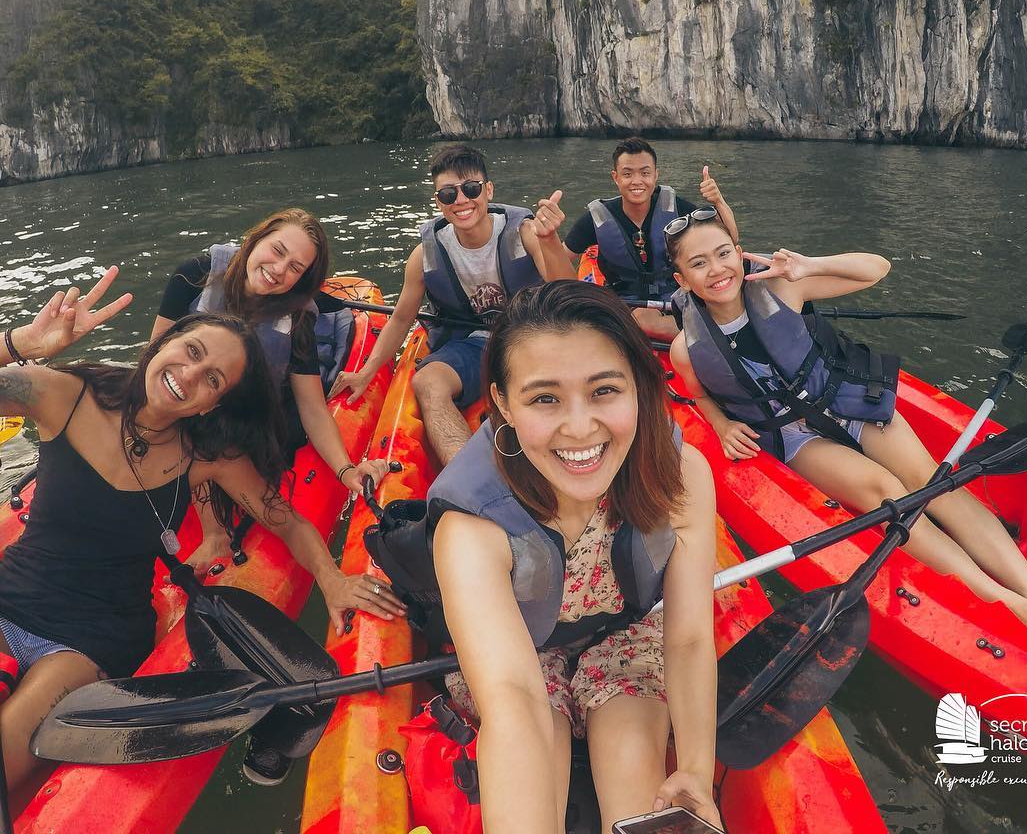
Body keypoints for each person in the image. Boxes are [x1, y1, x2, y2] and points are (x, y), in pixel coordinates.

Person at [0, 270, 384, 810]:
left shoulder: (202, 457)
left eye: (213, 380)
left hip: (88, 641)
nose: (191, 374)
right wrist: (19, 345)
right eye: (192, 351)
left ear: (213, 405)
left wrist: (334, 580)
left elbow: (286, 521)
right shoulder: (62, 393)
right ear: (165, 340)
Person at [356, 282, 722, 831]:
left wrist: (694, 767)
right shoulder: (472, 526)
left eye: (604, 391)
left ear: (641, 390)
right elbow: (513, 699)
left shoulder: (681, 475)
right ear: (502, 402)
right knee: (535, 740)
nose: (579, 427)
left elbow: (689, 637)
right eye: (545, 398)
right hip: (520, 651)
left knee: (634, 772)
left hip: (625, 633)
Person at [665, 211, 1027, 647]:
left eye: (723, 253)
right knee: (884, 491)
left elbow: (877, 268)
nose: (717, 270)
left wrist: (809, 265)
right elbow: (701, 395)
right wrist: (722, 422)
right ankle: (1011, 604)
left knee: (936, 483)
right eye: (699, 263)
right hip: (795, 434)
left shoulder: (782, 285)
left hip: (845, 399)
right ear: (682, 278)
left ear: (738, 252)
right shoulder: (685, 349)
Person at [153, 208, 389, 569]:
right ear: (254, 240)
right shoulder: (194, 275)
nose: (280, 269)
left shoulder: (296, 317)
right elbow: (155, 362)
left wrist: (346, 469)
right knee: (184, 410)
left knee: (208, 432)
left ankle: (215, 533)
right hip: (199, 400)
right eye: (277, 251)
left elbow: (311, 407)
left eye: (296, 268)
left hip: (260, 415)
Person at [330, 144, 576, 465]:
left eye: (471, 189)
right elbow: (402, 319)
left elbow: (566, 291)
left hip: (531, 335)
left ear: (488, 190)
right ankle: (469, 476)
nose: (461, 201)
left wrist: (550, 241)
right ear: (438, 202)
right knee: (427, 381)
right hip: (473, 344)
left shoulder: (525, 233)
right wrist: (367, 372)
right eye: (448, 194)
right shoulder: (424, 256)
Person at [562, 137, 738, 339]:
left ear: (655, 175)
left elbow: (730, 239)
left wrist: (719, 201)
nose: (637, 181)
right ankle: (699, 333)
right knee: (642, 319)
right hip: (624, 304)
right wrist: (546, 236)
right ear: (616, 177)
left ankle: (693, 331)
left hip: (674, 298)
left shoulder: (676, 208)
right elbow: (561, 257)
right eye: (627, 174)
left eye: (645, 173)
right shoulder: (596, 219)